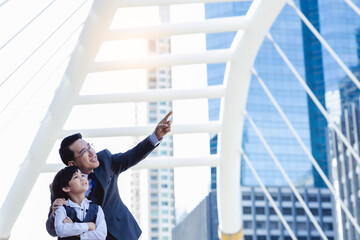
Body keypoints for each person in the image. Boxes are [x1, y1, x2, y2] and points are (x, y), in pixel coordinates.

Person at [46, 111, 172, 240]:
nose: (92, 153)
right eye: (84, 151)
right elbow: (51, 230)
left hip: (122, 233)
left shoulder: (106, 161)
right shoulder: (62, 183)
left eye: (90, 146)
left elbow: (132, 155)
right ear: (72, 163)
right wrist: (55, 215)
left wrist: (156, 136)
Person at [51, 166, 107, 240]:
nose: (82, 178)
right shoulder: (62, 207)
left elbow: (101, 235)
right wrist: (88, 226)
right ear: (66, 188)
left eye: (82, 175)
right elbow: (61, 230)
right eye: (76, 177)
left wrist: (76, 232)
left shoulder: (97, 209)